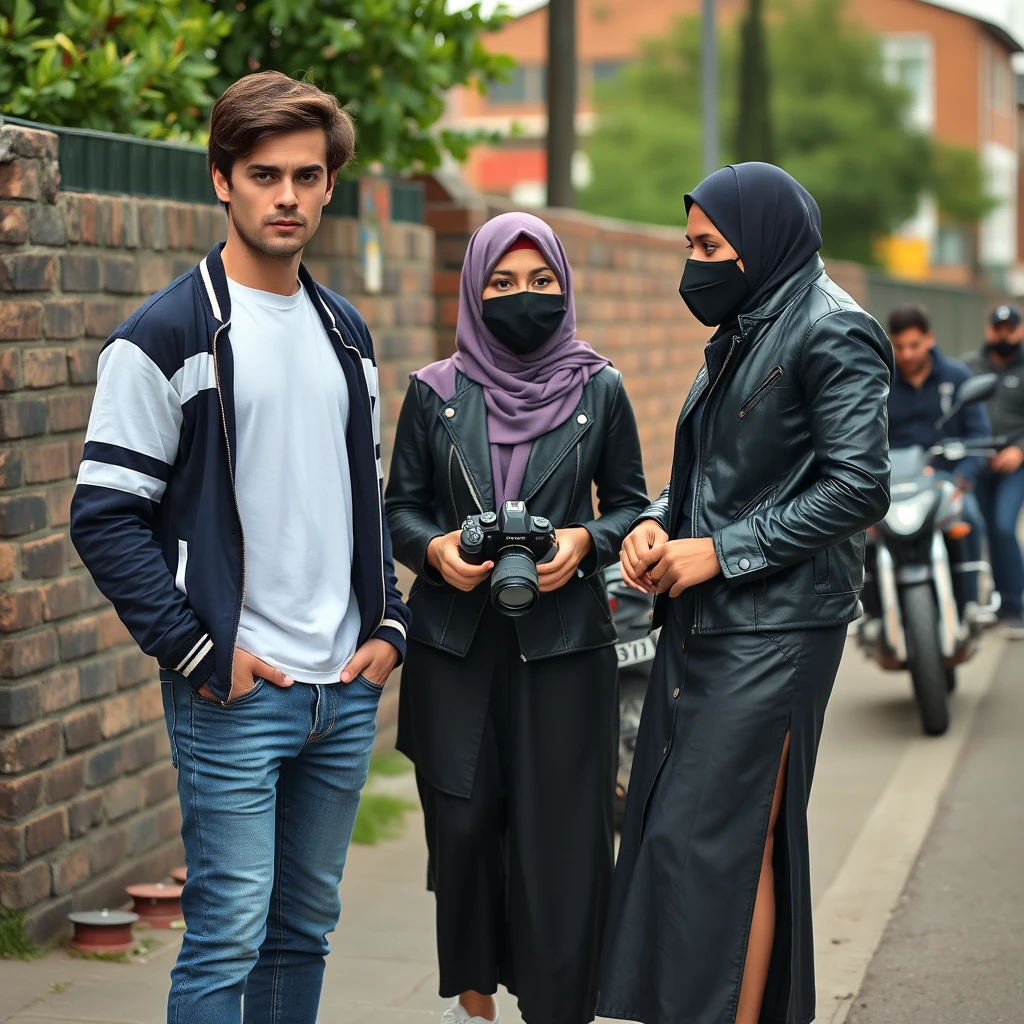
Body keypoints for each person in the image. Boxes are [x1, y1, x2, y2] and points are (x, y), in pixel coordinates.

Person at [70, 72, 411, 1022]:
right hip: (236, 688)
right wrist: (201, 651)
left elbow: (361, 497)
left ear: (331, 184)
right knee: (226, 936)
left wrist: (387, 621)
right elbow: (102, 514)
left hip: (340, 691)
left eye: (307, 175)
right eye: (265, 175)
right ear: (222, 180)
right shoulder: (165, 335)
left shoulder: (348, 335)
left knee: (305, 929)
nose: (288, 196)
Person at [598, 163, 893, 1024]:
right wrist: (656, 526)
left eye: (707, 246)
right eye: (690, 245)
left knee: (710, 843)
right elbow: (720, 477)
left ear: (759, 242)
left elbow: (858, 487)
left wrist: (718, 554)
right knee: (706, 846)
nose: (693, 264)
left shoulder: (833, 330)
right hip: (713, 622)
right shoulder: (742, 327)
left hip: (780, 627)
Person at [385, 212, 648, 1024]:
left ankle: (557, 1003)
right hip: (454, 649)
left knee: (561, 843)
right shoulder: (434, 394)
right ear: (473, 287)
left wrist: (582, 540)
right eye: (502, 283)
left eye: (541, 283)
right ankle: (472, 975)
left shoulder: (598, 387)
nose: (522, 298)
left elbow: (633, 507)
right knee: (462, 827)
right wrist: (435, 554)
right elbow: (399, 509)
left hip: (565, 646)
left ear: (564, 288)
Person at [885, 304, 989, 608]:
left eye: (914, 345)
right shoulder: (881, 379)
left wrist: (963, 478)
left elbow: (978, 433)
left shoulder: (956, 376)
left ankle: (969, 605)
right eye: (899, 346)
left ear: (930, 338)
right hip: (895, 485)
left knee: (969, 517)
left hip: (946, 479)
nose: (906, 354)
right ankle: (870, 611)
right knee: (858, 531)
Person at [964, 305, 1024, 638]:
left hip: (1015, 464)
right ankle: (986, 602)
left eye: (1010, 329)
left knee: (1003, 526)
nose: (1004, 335)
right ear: (989, 330)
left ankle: (1015, 604)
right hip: (978, 462)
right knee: (980, 528)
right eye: (998, 328)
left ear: (1020, 330)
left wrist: (1019, 449)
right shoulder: (969, 367)